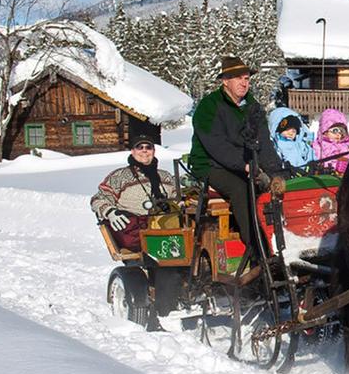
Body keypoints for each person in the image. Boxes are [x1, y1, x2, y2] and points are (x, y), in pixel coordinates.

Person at [189, 56, 283, 262]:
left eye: (247, 78)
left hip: (246, 163)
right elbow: (216, 146)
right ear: (225, 81)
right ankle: (257, 247)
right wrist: (245, 165)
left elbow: (265, 143)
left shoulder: (253, 107)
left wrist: (275, 172)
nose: (244, 83)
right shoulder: (209, 106)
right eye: (238, 78)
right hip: (209, 164)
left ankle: (281, 241)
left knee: (274, 190)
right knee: (241, 187)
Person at [91, 134, 175, 252]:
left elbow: (179, 196)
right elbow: (99, 198)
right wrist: (109, 212)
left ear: (154, 151)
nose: (144, 150)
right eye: (140, 147)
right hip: (135, 232)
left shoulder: (165, 176)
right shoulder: (120, 176)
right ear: (132, 151)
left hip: (167, 227)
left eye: (148, 147)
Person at [267, 106, 315, 172]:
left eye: (293, 131)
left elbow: (310, 153)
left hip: (304, 172)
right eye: (287, 130)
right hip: (289, 174)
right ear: (278, 130)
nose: (291, 133)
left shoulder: (300, 143)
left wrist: (313, 162)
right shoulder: (278, 145)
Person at [312, 108, 349, 174]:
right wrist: (335, 165)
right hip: (328, 178)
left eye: (342, 131)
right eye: (335, 131)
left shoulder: (348, 146)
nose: (338, 134)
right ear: (325, 130)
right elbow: (318, 161)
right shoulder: (319, 146)